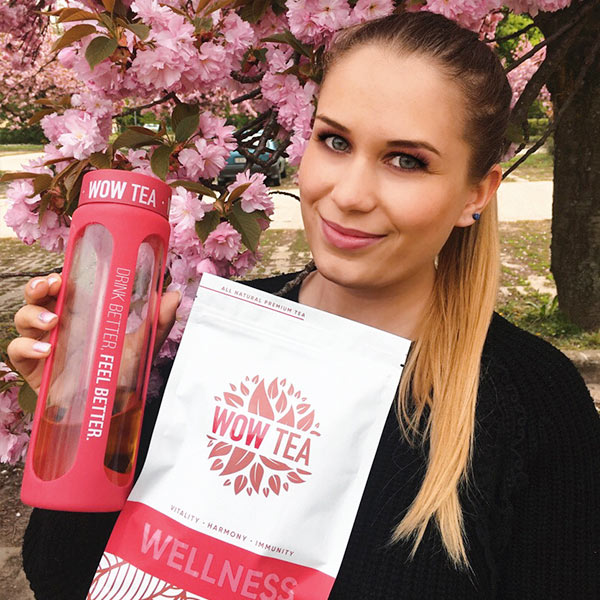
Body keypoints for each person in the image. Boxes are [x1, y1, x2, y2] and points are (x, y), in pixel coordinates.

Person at [8, 10, 600, 600]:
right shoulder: (222, 334)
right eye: (335, 141)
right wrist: (84, 411)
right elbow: (66, 576)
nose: (349, 195)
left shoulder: (534, 407)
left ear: (477, 192)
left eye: (406, 160)